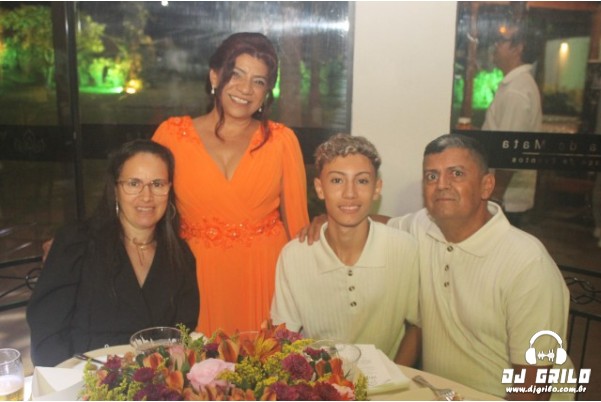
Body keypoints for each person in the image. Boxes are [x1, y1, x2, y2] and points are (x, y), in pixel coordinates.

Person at [300, 134, 570, 400]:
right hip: (438, 392)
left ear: (486, 185)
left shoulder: (527, 263)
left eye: (456, 174)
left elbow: (534, 388)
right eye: (431, 176)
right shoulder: (423, 226)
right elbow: (377, 224)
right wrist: (331, 219)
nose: (441, 185)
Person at [152, 32, 309, 335]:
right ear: (214, 76)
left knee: (263, 364)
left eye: (258, 81)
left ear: (266, 92)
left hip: (264, 277)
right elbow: (143, 208)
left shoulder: (282, 141)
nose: (246, 89)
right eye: (236, 74)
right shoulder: (171, 137)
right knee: (199, 362)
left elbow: (298, 229)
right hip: (196, 278)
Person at [27, 139, 199, 367]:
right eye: (134, 183)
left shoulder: (180, 256)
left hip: (155, 382)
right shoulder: (77, 243)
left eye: (157, 184)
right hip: (83, 381)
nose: (146, 196)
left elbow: (182, 336)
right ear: (115, 189)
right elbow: (47, 335)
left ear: (169, 189)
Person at [270, 134, 420, 364]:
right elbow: (283, 337)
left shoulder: (404, 249)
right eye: (337, 180)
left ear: (377, 188)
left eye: (362, 181)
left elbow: (417, 326)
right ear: (320, 188)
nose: (350, 193)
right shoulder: (294, 256)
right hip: (318, 380)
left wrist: (398, 375)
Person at [482, 21, 542, 227]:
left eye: (501, 40)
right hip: (505, 198)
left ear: (518, 48)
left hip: (507, 201)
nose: (495, 46)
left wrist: (495, 199)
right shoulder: (514, 85)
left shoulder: (517, 90)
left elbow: (509, 151)